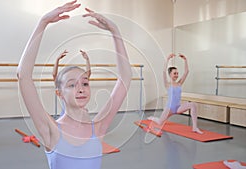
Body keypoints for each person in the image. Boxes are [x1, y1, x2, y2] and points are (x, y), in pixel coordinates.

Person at [17, 1, 132, 169]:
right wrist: (42, 23)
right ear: (59, 93)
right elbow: (23, 76)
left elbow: (125, 77)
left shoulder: (99, 127)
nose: (80, 88)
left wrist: (115, 32)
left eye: (85, 83)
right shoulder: (51, 130)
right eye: (71, 85)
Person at [148, 53, 203, 134]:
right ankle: (153, 118)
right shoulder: (167, 84)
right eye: (174, 73)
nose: (176, 75)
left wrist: (185, 60)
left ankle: (194, 127)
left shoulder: (179, 83)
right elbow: (163, 72)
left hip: (178, 107)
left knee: (193, 105)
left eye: (177, 73)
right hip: (169, 108)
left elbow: (186, 72)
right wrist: (167, 59)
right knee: (160, 122)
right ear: (170, 74)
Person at [52, 50, 91, 117]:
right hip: (67, 116)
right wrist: (57, 60)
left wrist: (87, 59)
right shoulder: (63, 88)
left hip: (80, 116)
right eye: (72, 85)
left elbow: (88, 74)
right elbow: (54, 75)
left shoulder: (79, 91)